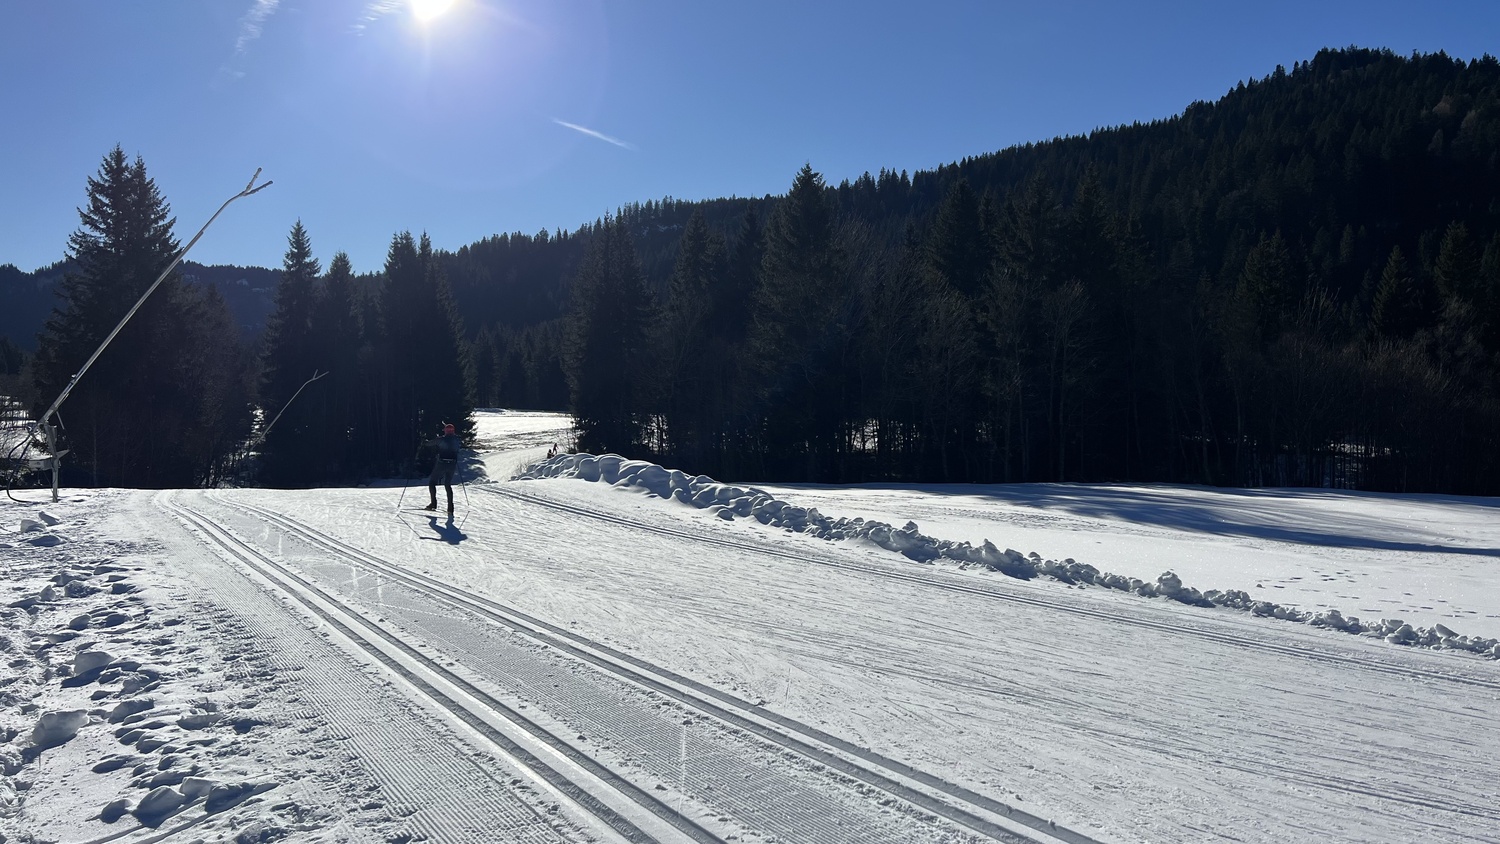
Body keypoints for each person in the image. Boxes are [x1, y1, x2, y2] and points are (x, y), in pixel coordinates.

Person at [424, 422, 461, 514]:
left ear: (445, 431)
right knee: (447, 484)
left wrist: (423, 440)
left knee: (432, 482)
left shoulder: (441, 439)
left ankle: (433, 504)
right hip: (452, 464)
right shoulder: (457, 439)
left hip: (441, 463)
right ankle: (450, 507)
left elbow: (428, 444)